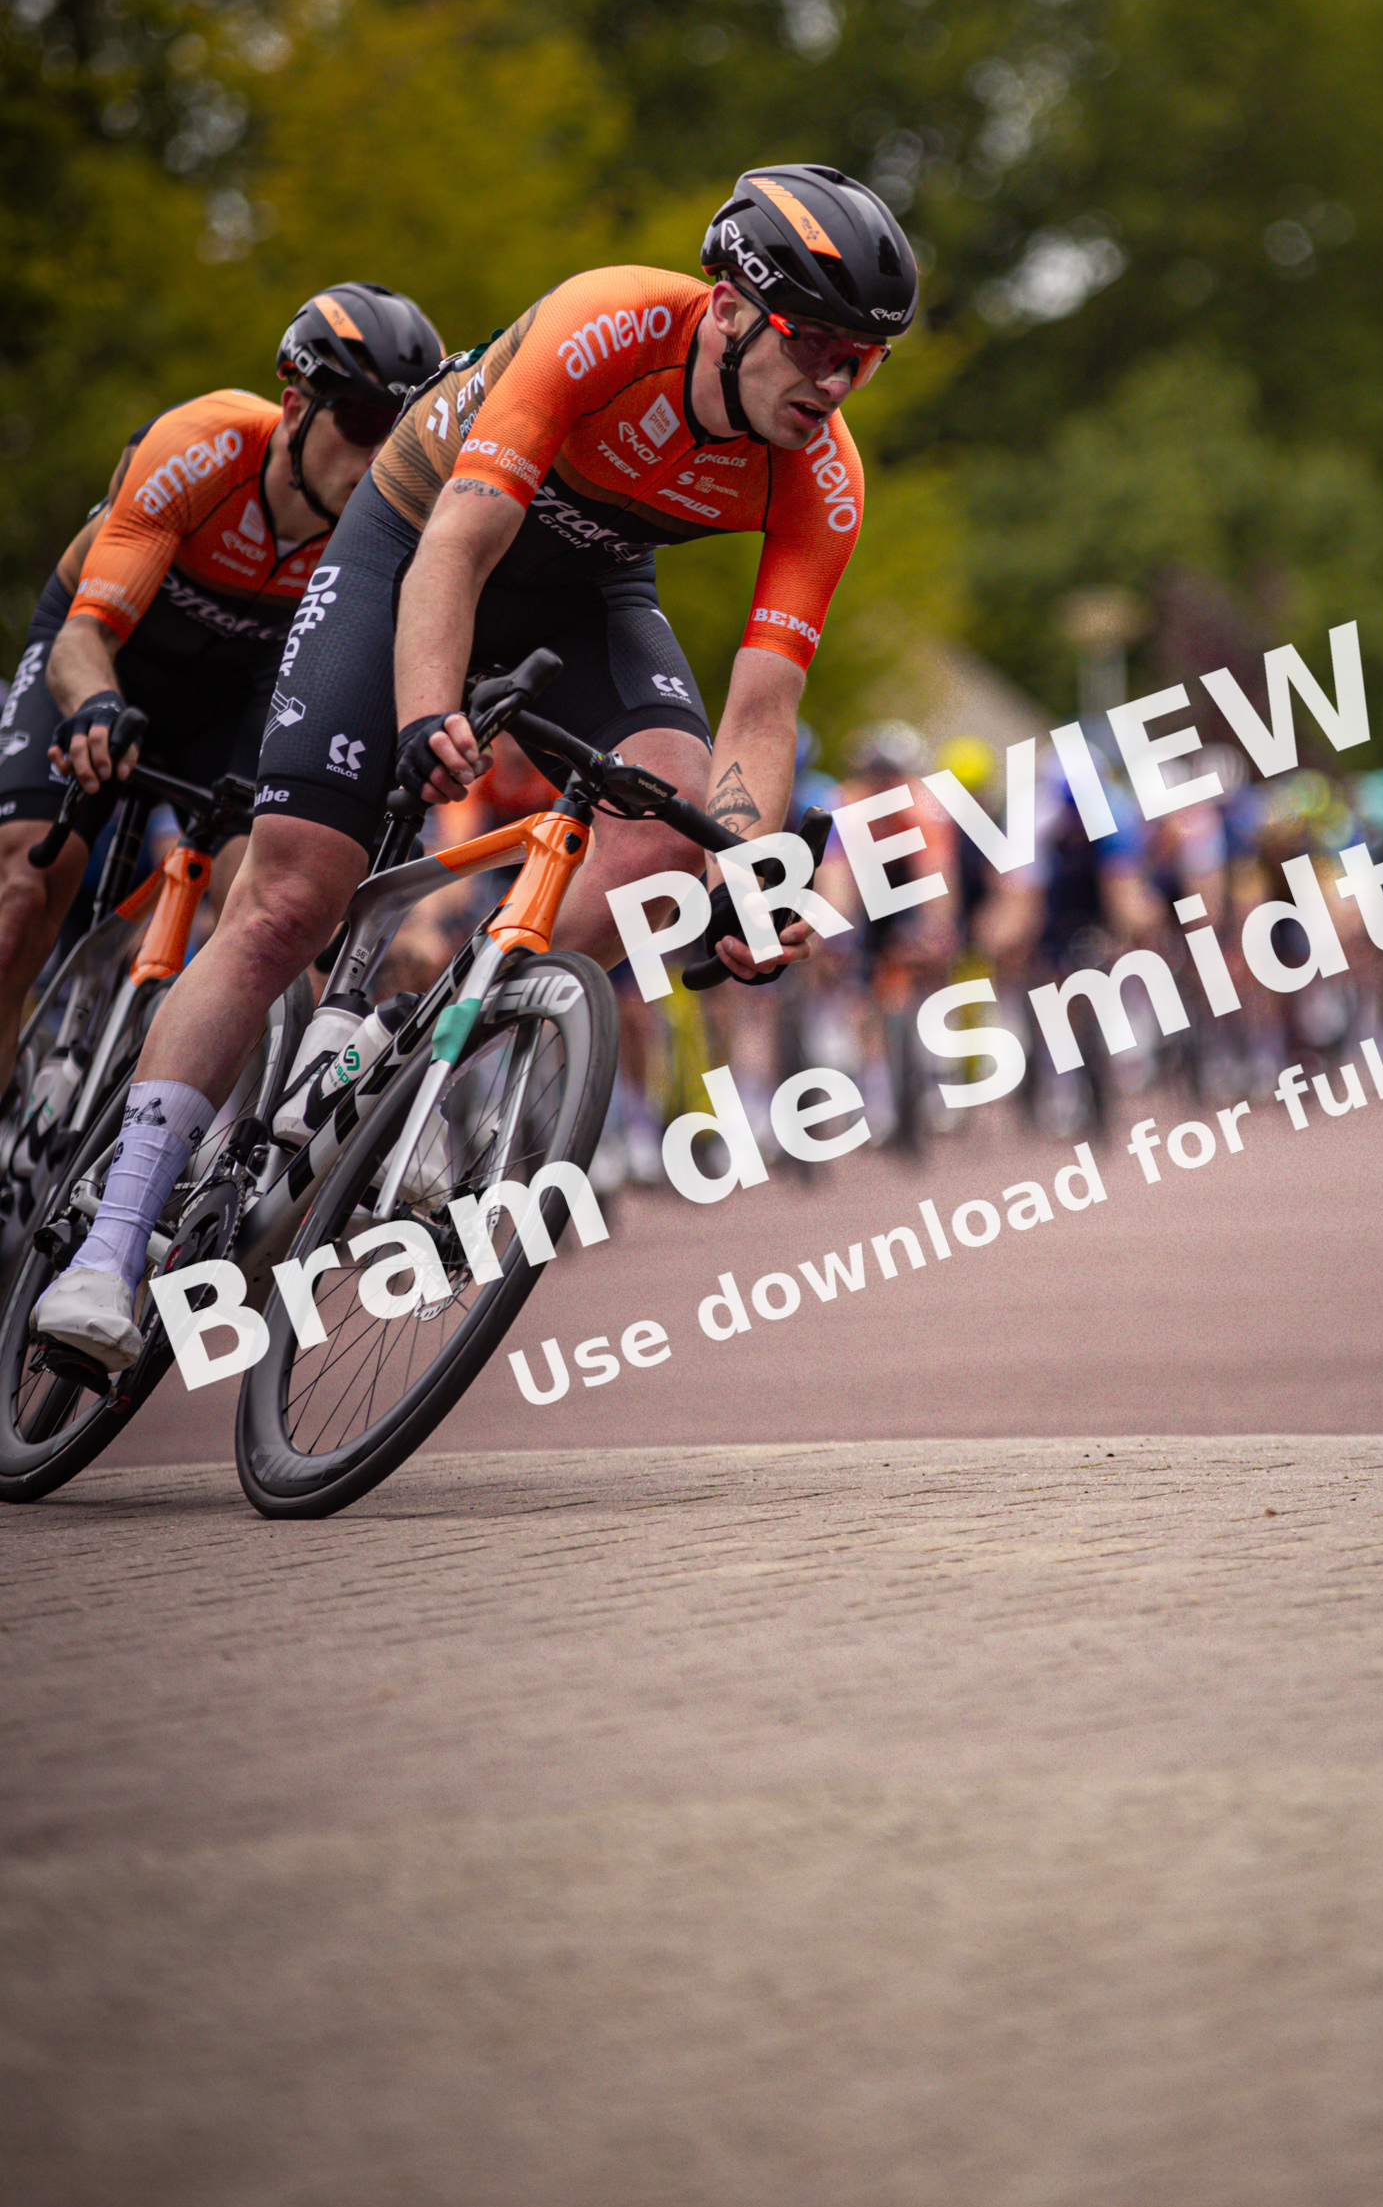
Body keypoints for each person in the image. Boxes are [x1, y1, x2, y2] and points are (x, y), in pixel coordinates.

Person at [37, 166, 918, 1366]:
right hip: (415, 542)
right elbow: (455, 547)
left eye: (858, 359)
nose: (830, 381)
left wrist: (745, 875)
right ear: (726, 309)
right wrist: (424, 719)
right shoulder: (604, 322)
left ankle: (429, 1018)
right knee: (289, 895)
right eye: (812, 341)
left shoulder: (824, 475)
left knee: (667, 835)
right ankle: (111, 1243)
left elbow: (763, 710)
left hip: (591, 583)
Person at [0, 284, 442, 1101]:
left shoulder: (391, 523)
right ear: (294, 406)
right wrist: (95, 708)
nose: (380, 456)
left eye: (400, 432)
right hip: (114, 662)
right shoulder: (201, 447)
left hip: (240, 696)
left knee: (274, 913)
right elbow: (84, 638)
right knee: (23, 889)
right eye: (360, 423)